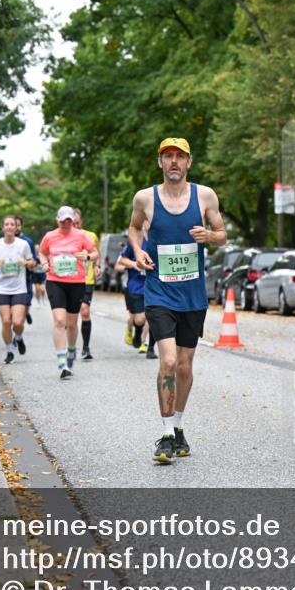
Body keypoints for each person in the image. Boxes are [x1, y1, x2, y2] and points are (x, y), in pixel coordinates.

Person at [128, 137, 227, 463]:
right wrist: (140, 251)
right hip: (158, 292)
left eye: (179, 157)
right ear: (160, 162)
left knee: (184, 366)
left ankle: (179, 426)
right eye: (167, 156)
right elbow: (134, 228)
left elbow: (222, 235)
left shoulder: (205, 195)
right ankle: (166, 434)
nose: (174, 162)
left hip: (193, 295)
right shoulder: (145, 198)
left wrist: (210, 236)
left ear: (189, 162)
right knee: (168, 361)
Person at [39, 205, 98, 379]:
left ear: (73, 221)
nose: (66, 223)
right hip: (55, 281)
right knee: (59, 320)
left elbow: (95, 252)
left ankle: (72, 349)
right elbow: (42, 252)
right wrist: (43, 263)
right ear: (57, 220)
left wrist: (86, 257)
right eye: (63, 220)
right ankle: (62, 361)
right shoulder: (49, 236)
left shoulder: (81, 236)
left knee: (72, 323)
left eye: (69, 220)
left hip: (76, 282)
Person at [0, 216, 36, 364]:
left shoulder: (23, 245)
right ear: (2, 228)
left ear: (16, 227)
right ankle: (9, 351)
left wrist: (25, 262)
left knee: (18, 322)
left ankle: (18, 338)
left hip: (19, 288)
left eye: (12, 224)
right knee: (6, 321)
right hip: (1, 288)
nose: (9, 227)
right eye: (6, 224)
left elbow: (32, 263)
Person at [116, 243, 154, 356]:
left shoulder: (158, 237)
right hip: (134, 287)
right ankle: (135, 331)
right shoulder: (134, 242)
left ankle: (145, 343)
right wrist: (133, 265)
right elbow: (120, 263)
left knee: (150, 316)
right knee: (137, 319)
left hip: (152, 285)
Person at [72, 208, 100, 360]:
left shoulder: (90, 236)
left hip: (86, 280)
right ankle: (70, 346)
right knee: (71, 316)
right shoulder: (65, 237)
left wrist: (96, 266)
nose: (75, 226)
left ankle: (86, 347)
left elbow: (97, 254)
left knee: (85, 311)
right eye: (72, 223)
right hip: (69, 281)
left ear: (81, 222)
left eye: (77, 223)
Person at [14, 216, 38, 326]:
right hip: (11, 278)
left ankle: (27, 313)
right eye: (13, 225)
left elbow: (34, 260)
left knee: (25, 304)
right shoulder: (5, 242)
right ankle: (16, 335)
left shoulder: (28, 241)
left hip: (26, 278)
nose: (15, 228)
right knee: (15, 309)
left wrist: (28, 263)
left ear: (21, 226)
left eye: (18, 225)